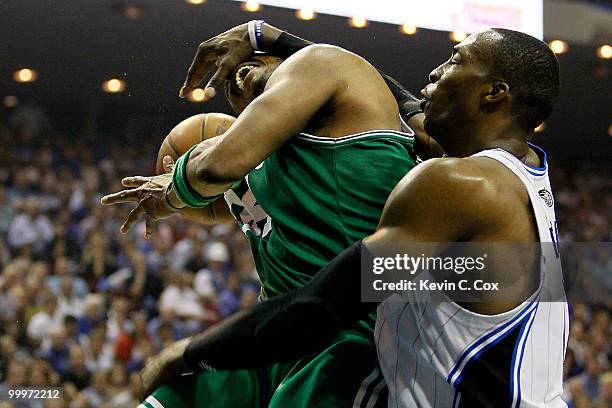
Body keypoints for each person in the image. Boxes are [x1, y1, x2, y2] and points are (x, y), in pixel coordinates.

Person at [135, 28, 568, 407]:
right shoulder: (521, 175)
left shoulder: (459, 185)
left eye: (455, 60)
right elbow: (388, 96)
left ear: (494, 93)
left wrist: (192, 352)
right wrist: (271, 38)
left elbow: (320, 307)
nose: (435, 72)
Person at [102, 24, 427, 408]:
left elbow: (214, 168)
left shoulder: (325, 63)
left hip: (344, 340)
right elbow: (224, 181)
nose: (236, 76)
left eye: (257, 61)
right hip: (270, 336)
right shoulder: (270, 168)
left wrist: (172, 191)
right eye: (231, 94)